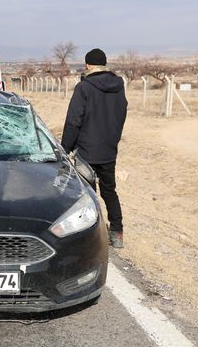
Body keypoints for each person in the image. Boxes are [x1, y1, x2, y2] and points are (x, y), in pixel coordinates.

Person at [61, 48, 128, 248]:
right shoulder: (119, 85)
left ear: (88, 65)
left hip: (87, 151)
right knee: (110, 191)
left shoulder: (84, 87)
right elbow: (121, 113)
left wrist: (65, 148)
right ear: (104, 64)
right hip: (109, 149)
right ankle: (117, 233)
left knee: (86, 195)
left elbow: (74, 121)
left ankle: (90, 237)